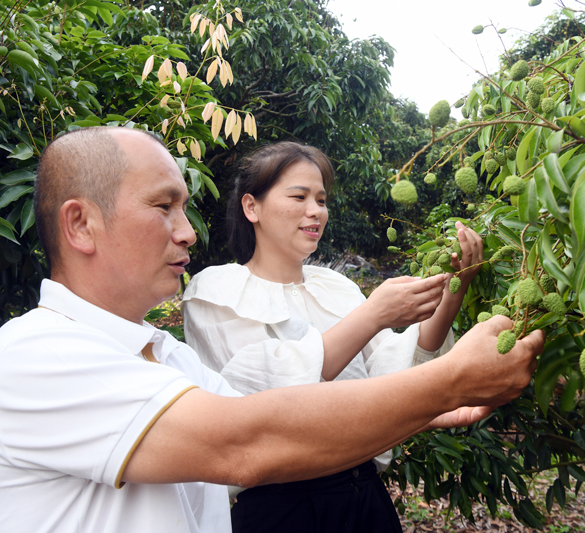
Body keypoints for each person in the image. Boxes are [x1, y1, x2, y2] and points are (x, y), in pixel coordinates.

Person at [0, 126, 544, 533]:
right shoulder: (35, 354)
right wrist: (447, 383)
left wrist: (441, 398)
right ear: (82, 224)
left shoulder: (164, 356)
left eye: (185, 210)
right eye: (163, 206)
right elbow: (248, 443)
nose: (187, 232)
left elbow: (293, 416)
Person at [181, 141, 485, 532]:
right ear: (251, 207)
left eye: (321, 200)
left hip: (364, 496)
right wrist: (373, 315)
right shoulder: (214, 292)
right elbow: (264, 400)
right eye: (299, 196)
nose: (315, 211)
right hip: (281, 508)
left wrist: (455, 290)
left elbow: (396, 370)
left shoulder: (336, 287)